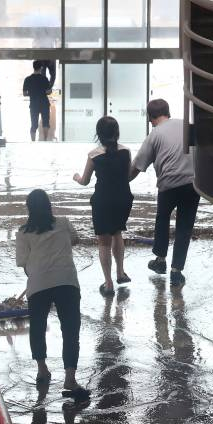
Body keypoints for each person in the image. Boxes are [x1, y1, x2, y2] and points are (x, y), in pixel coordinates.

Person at [15, 189, 88, 400]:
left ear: (29, 208)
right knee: (70, 330)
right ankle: (70, 379)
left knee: (37, 328)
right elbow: (75, 240)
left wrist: (36, 273)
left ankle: (42, 370)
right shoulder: (63, 223)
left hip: (38, 285)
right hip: (67, 282)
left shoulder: (23, 232)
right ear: (49, 206)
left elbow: (23, 264)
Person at [130, 99, 198, 287]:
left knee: (162, 219)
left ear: (151, 118)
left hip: (168, 185)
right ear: (168, 112)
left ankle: (160, 260)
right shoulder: (187, 126)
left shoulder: (155, 134)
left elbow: (137, 166)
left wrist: (121, 181)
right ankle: (176, 272)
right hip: (192, 184)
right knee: (184, 227)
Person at [73, 116, 134, 297]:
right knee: (117, 232)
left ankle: (108, 284)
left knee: (103, 241)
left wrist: (76, 177)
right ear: (117, 133)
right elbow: (128, 176)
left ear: (99, 134)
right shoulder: (126, 152)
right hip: (123, 199)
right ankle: (120, 273)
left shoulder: (94, 155)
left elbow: (84, 181)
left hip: (103, 201)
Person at [23, 61, 53, 142]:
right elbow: (48, 92)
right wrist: (44, 91)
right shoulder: (44, 79)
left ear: (34, 67)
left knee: (34, 124)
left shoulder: (28, 79)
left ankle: (33, 141)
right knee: (46, 122)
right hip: (44, 103)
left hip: (34, 104)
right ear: (41, 68)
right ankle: (45, 140)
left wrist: (32, 93)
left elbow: (24, 93)